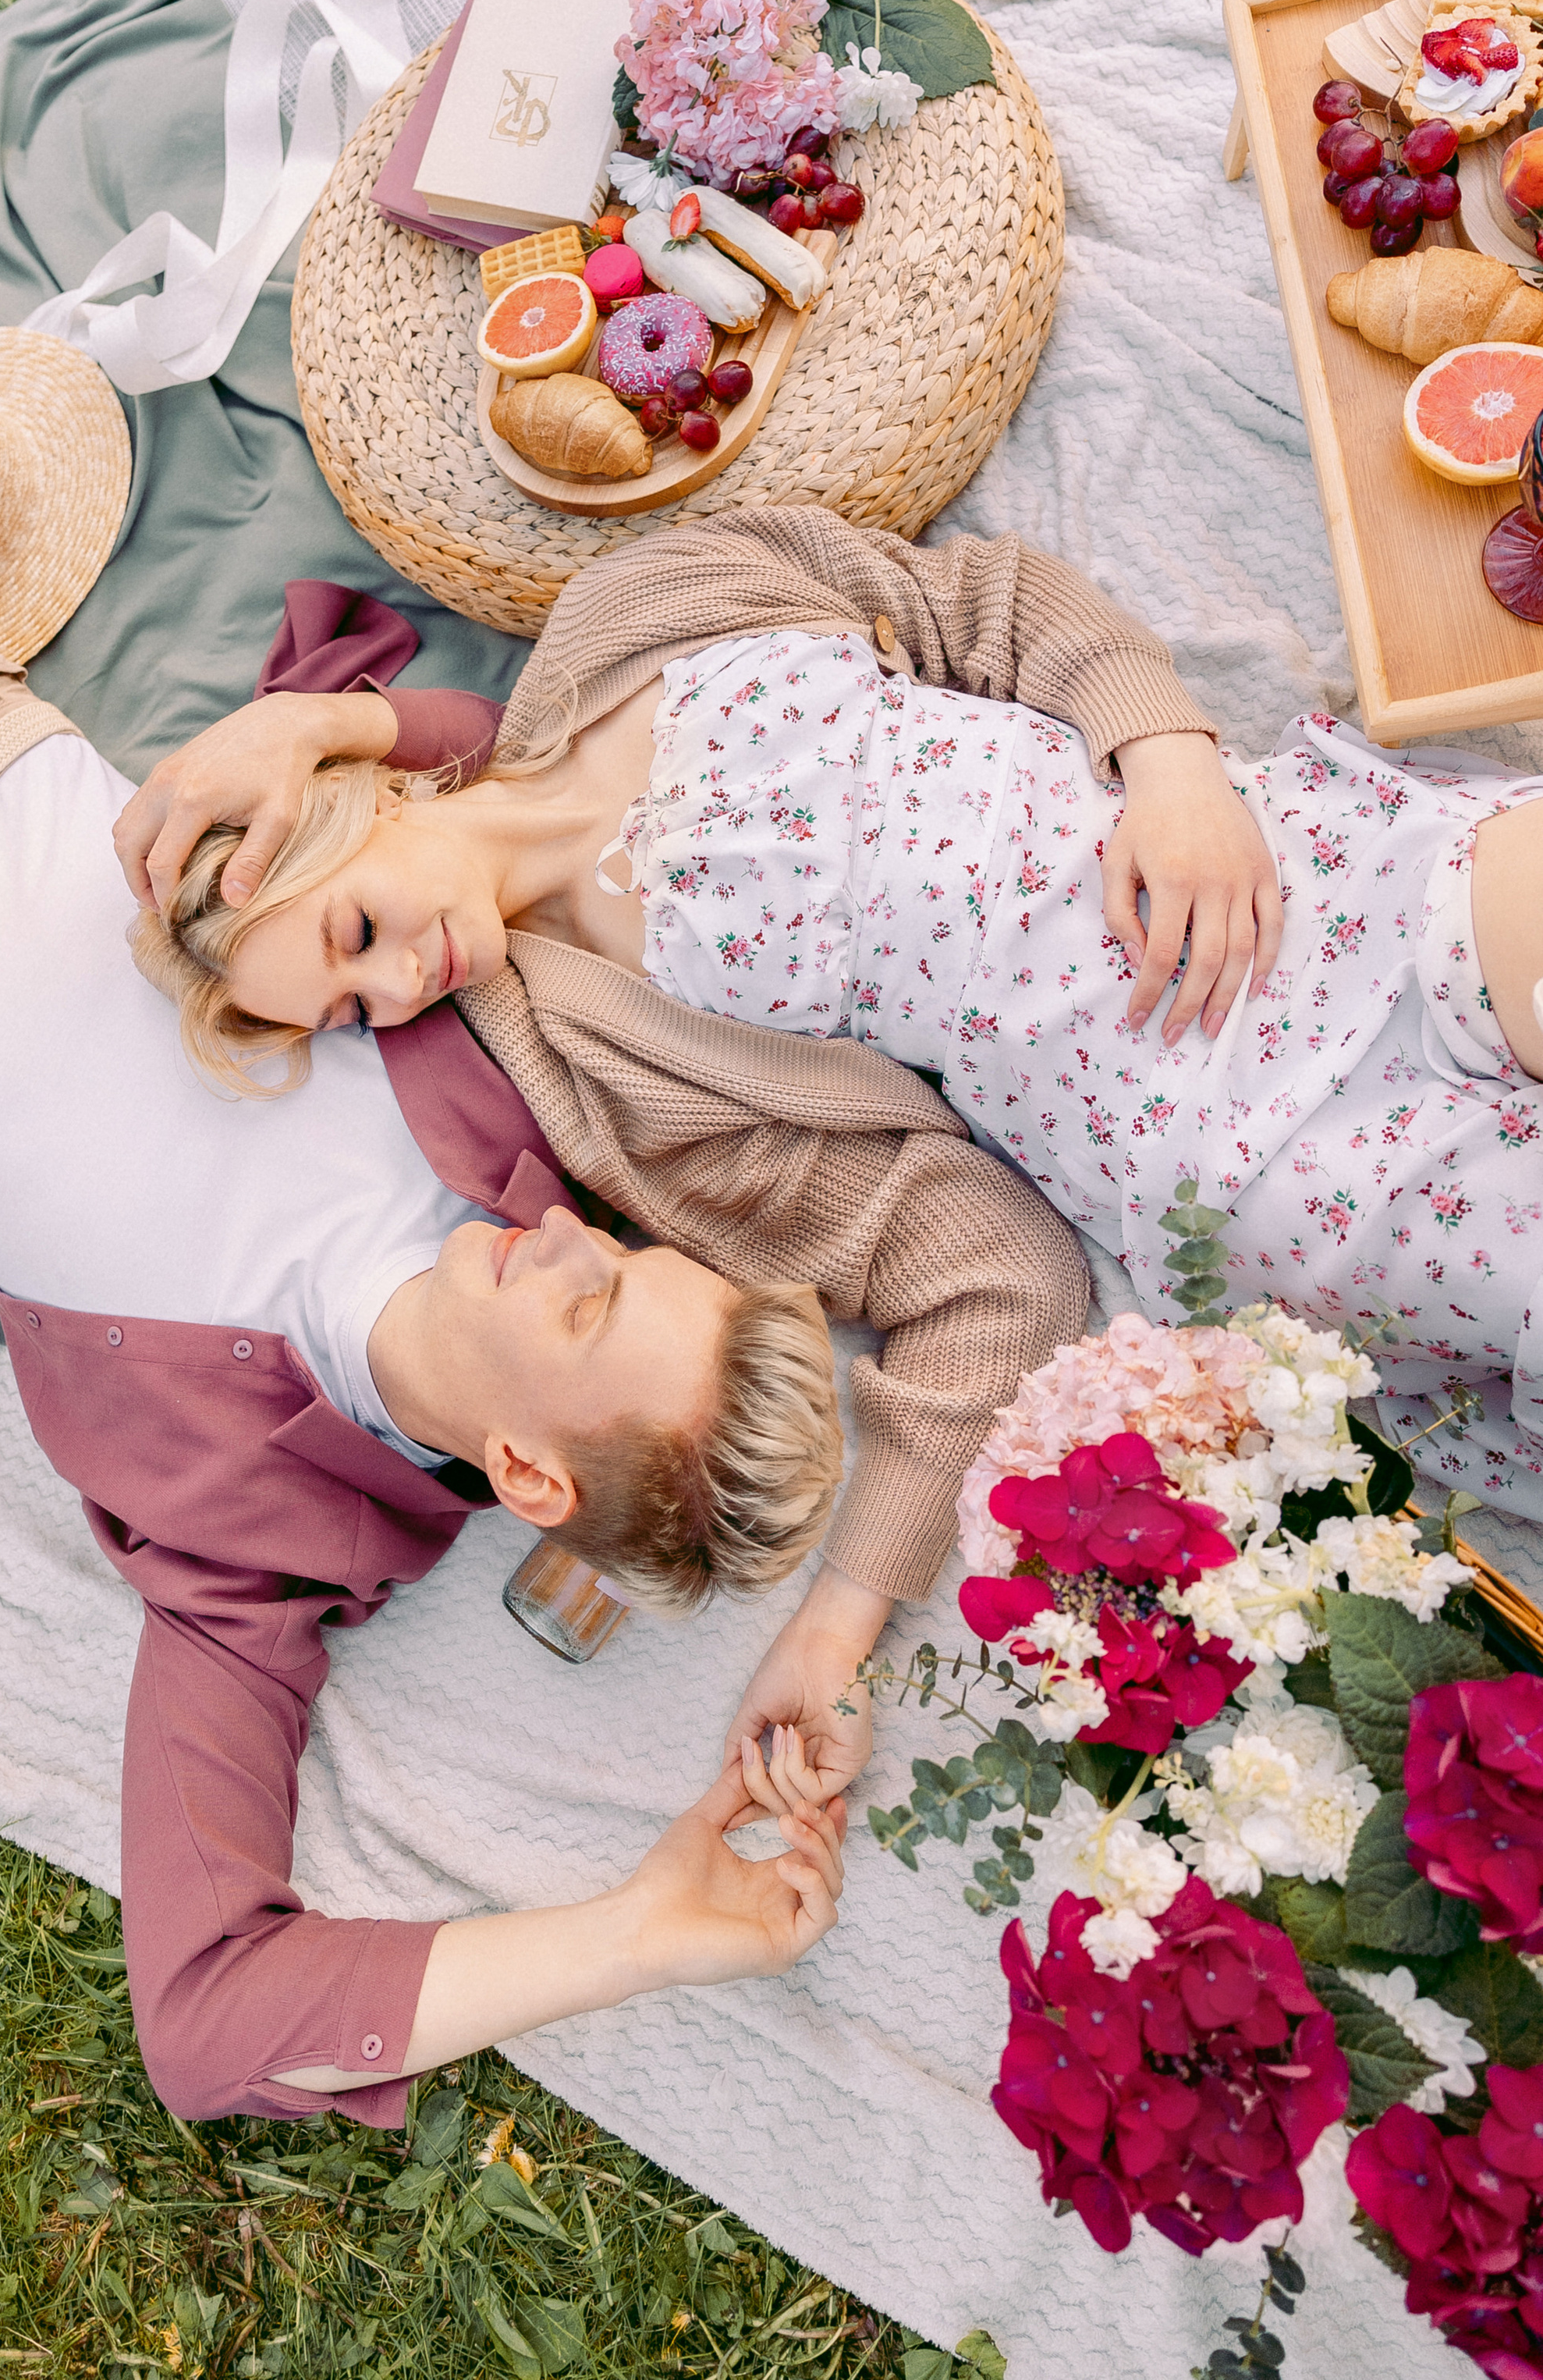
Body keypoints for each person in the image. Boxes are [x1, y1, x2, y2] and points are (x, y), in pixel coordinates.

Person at [0, 517, 852, 2124]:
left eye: (593, 1315)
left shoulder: (254, 1543)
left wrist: (642, 1934)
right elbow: (508, 771)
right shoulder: (524, 1091)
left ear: (526, 1475)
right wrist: (325, 726)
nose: (570, 1247)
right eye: (627, 1259)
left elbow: (210, 2020)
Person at [122, 502, 1543, 1721]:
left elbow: (985, 603)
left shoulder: (642, 604)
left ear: (362, 802)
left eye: (357, 925)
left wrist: (1164, 754)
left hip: (1281, 864)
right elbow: (983, 1269)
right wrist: (837, 1627)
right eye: (357, 1004)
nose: (401, 976)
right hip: (1213, 1130)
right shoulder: (605, 1082)